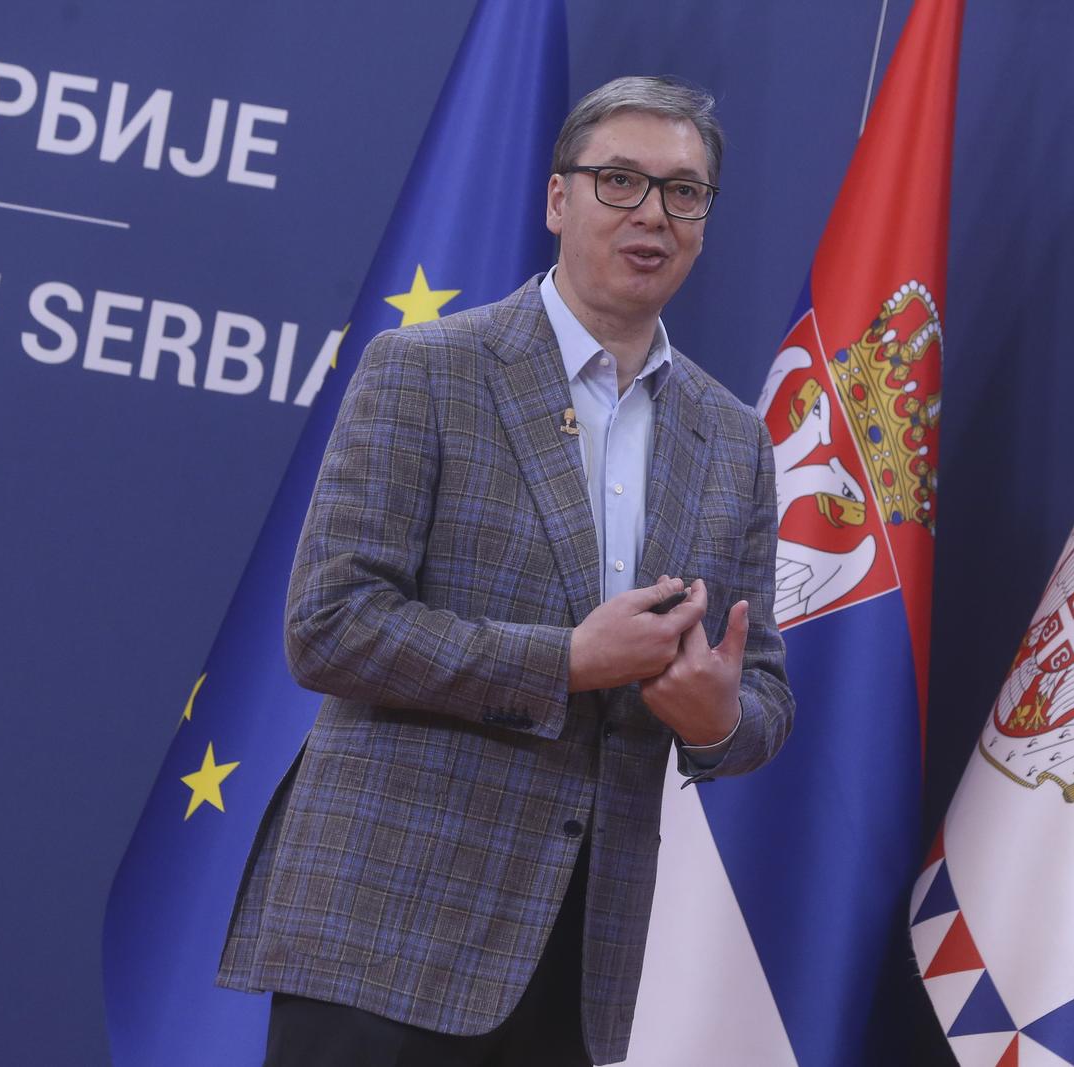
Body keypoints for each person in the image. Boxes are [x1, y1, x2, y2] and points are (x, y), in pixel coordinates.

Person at [216, 76, 794, 1066]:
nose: (652, 212)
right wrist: (565, 659)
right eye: (619, 181)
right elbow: (330, 622)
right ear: (557, 200)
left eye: (682, 192)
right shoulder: (426, 368)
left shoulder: (733, 438)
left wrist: (717, 720)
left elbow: (762, 692)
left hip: (577, 956)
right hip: (384, 925)